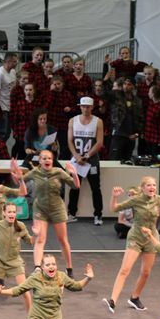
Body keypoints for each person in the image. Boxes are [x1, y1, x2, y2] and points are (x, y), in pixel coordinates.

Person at [103, 177, 160, 314]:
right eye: (149, 185)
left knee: (146, 272)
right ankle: (113, 300)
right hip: (136, 237)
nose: (152, 187)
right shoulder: (136, 200)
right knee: (125, 269)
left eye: (154, 185)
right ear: (143, 188)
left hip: (151, 238)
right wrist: (114, 197)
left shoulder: (158, 199)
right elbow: (114, 208)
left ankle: (135, 298)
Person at [23, 151, 80, 274]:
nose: (47, 160)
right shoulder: (35, 172)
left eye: (49, 158)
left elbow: (75, 186)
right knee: (40, 239)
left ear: (52, 160)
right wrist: (16, 175)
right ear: (40, 161)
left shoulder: (59, 172)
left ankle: (69, 269)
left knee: (62, 239)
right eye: (44, 158)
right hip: (40, 208)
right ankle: (37, 268)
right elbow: (20, 181)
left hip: (57, 208)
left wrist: (74, 174)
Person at [67, 96, 104, 225]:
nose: (85, 109)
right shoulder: (73, 120)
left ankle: (98, 215)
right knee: (74, 187)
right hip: (77, 160)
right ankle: (72, 213)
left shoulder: (98, 121)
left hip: (91, 160)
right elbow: (70, 141)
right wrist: (77, 156)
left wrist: (87, 156)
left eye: (88, 107)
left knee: (96, 188)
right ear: (80, 107)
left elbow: (99, 142)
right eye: (83, 106)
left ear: (92, 107)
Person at [109, 77, 142, 162]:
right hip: (118, 133)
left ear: (133, 86)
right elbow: (105, 92)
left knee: (128, 161)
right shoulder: (117, 96)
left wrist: (137, 134)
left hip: (131, 136)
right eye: (124, 84)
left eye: (129, 84)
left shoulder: (137, 100)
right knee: (114, 160)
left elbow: (141, 118)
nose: (126, 86)